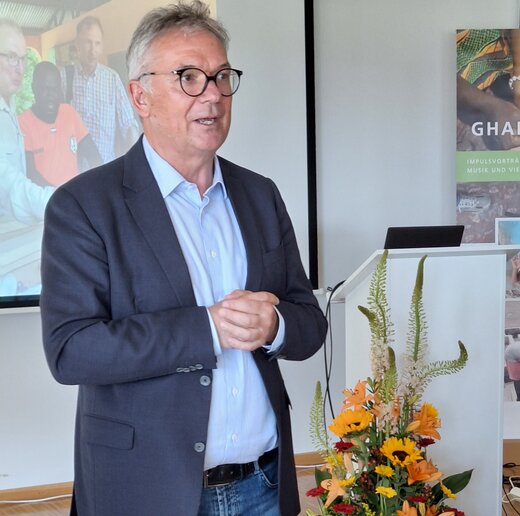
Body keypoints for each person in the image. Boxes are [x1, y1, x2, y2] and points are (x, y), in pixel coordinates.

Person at [40, 2, 327, 515]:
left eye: (221, 77)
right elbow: (71, 351)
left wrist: (275, 323)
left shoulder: (260, 195)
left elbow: (308, 323)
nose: (212, 96)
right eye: (188, 78)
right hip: (146, 491)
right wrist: (208, 329)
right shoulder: (83, 205)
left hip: (264, 483)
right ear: (139, 96)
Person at [62, 16, 140, 162]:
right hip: (74, 169)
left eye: (97, 43)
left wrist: (136, 159)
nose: (93, 50)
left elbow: (128, 123)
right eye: (88, 43)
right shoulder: (65, 77)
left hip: (105, 167)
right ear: (77, 44)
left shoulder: (112, 79)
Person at [0, 19, 53, 224]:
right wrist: (61, 201)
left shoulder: (9, 105)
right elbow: (11, 187)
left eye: (23, 59)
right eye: (12, 57)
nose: (20, 69)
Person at [18, 61, 102, 186]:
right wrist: (60, 195)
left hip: (73, 196)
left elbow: (92, 153)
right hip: (44, 200)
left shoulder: (69, 113)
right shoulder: (23, 123)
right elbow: (30, 173)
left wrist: (101, 181)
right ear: (34, 89)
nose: (51, 95)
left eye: (55, 89)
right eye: (45, 89)